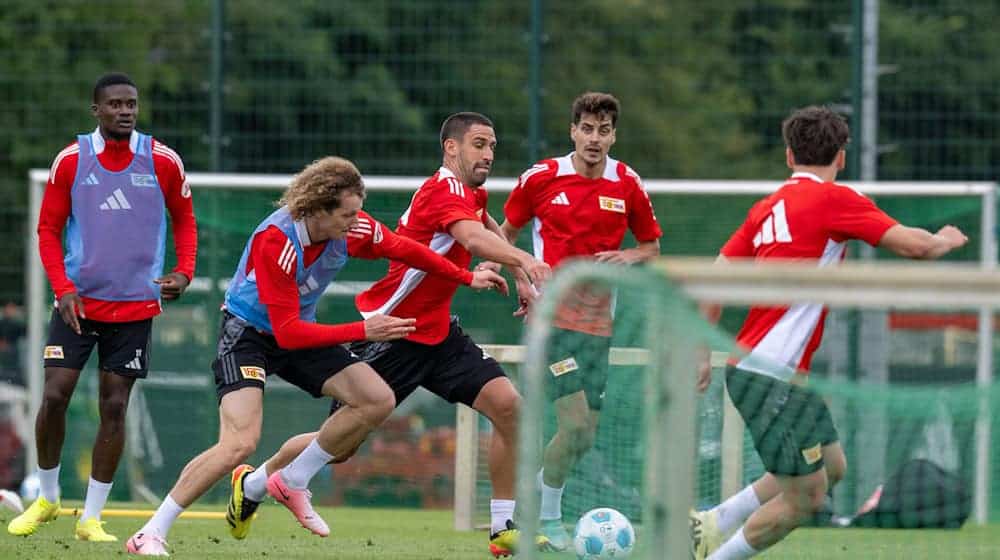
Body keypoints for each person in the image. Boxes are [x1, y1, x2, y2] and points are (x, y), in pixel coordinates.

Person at [124, 156, 507, 556]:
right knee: (239, 444)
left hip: (299, 329)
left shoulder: (352, 228)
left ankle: (291, 481)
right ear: (318, 209)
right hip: (249, 336)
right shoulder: (277, 241)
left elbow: (407, 249)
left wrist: (467, 277)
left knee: (376, 399)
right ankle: (150, 531)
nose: (356, 221)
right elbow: (287, 333)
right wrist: (364, 330)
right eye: (347, 213)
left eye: (358, 211)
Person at [235, 113, 552, 558]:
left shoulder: (469, 193)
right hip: (392, 331)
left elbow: (485, 223)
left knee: (509, 407)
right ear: (452, 148)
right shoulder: (442, 190)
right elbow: (474, 238)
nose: (489, 154)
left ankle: (503, 527)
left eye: (493, 146)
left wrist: (518, 272)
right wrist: (529, 261)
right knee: (339, 444)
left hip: (439, 336)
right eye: (479, 144)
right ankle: (254, 482)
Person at [690, 106, 968, 560]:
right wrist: (944, 239)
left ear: (788, 156)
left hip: (765, 372)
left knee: (831, 466)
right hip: (770, 375)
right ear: (841, 157)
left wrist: (702, 348)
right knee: (808, 496)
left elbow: (713, 278)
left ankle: (712, 522)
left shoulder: (767, 206)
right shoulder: (835, 200)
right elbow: (916, 247)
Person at [7, 73, 197, 543]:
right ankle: (47, 497)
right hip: (77, 305)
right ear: (96, 110)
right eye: (114, 104)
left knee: (115, 406)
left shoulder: (162, 161)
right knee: (54, 395)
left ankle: (91, 516)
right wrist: (63, 286)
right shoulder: (71, 161)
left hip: (134, 308)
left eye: (130, 103)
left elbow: (185, 220)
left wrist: (185, 271)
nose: (124, 111)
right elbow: (48, 230)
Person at [498, 92, 662, 551]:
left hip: (599, 326)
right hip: (551, 321)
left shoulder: (627, 182)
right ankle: (548, 518)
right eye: (586, 129)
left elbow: (651, 246)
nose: (594, 138)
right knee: (572, 425)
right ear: (573, 131)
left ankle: (533, 493)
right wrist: (521, 279)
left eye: (603, 130)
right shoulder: (542, 177)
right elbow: (503, 235)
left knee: (584, 435)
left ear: (614, 135)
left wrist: (629, 255)